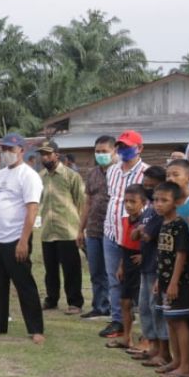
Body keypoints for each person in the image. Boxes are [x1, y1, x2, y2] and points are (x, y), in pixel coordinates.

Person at [0, 134, 46, 344]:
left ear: (21, 151)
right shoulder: (0, 175)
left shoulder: (29, 176)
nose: (7, 153)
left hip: (16, 238)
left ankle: (36, 329)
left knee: (24, 285)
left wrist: (24, 241)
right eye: (5, 149)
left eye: (11, 149)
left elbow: (32, 210)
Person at [100, 131, 148, 339]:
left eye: (128, 146)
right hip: (111, 231)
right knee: (114, 278)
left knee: (140, 282)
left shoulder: (146, 173)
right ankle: (118, 320)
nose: (123, 150)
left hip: (135, 236)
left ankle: (146, 328)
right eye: (120, 146)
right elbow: (112, 199)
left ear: (140, 148)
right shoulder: (112, 170)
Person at [150, 181, 189, 377]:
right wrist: (159, 280)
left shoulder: (179, 225)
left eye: (164, 200)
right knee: (170, 320)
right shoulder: (164, 223)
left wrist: (174, 282)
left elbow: (181, 254)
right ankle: (177, 360)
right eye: (155, 200)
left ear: (176, 202)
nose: (158, 204)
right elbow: (163, 254)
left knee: (179, 321)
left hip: (179, 282)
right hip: (165, 280)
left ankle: (186, 366)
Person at [36, 140, 85, 315]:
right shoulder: (40, 177)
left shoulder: (71, 176)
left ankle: (75, 302)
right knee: (50, 270)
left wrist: (81, 229)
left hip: (68, 230)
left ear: (57, 155)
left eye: (48, 154)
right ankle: (51, 299)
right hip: (48, 231)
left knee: (71, 269)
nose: (45, 157)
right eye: (42, 154)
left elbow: (81, 202)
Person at [131, 167, 169, 368]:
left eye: (151, 185)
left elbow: (148, 235)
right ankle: (152, 344)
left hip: (157, 266)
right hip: (146, 264)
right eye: (145, 185)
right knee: (145, 307)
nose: (148, 189)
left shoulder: (160, 211)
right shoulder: (149, 209)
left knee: (157, 308)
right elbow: (138, 233)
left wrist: (142, 232)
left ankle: (163, 350)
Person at [79, 136, 115, 322]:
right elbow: (87, 202)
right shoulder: (92, 173)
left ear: (114, 151)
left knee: (113, 272)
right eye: (98, 151)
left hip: (113, 230)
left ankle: (114, 307)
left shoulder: (119, 172)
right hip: (93, 229)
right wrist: (80, 229)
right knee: (96, 271)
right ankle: (99, 306)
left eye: (104, 151)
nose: (101, 155)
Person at [111, 185, 147, 350]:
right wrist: (121, 266)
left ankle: (147, 339)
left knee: (143, 304)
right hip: (127, 264)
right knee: (125, 302)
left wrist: (143, 256)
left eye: (133, 201)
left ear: (143, 202)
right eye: (126, 201)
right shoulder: (124, 221)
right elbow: (124, 246)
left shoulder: (146, 222)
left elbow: (151, 244)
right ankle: (127, 337)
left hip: (141, 265)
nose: (129, 205)